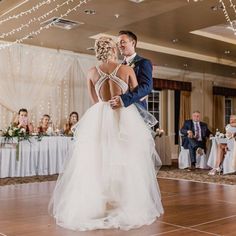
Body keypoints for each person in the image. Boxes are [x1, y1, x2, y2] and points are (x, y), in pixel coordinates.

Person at [49, 36, 163, 231]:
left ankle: (100, 205)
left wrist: (104, 106)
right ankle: (124, 204)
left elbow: (94, 99)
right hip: (125, 118)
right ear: (114, 50)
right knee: (128, 160)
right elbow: (138, 94)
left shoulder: (92, 72)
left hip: (99, 117)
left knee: (98, 161)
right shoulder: (126, 70)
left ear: (98, 51)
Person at [110, 30, 153, 110]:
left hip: (137, 109)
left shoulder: (143, 63)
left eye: (122, 42)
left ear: (133, 43)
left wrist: (123, 99)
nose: (119, 45)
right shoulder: (119, 67)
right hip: (120, 109)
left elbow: (146, 87)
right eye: (118, 43)